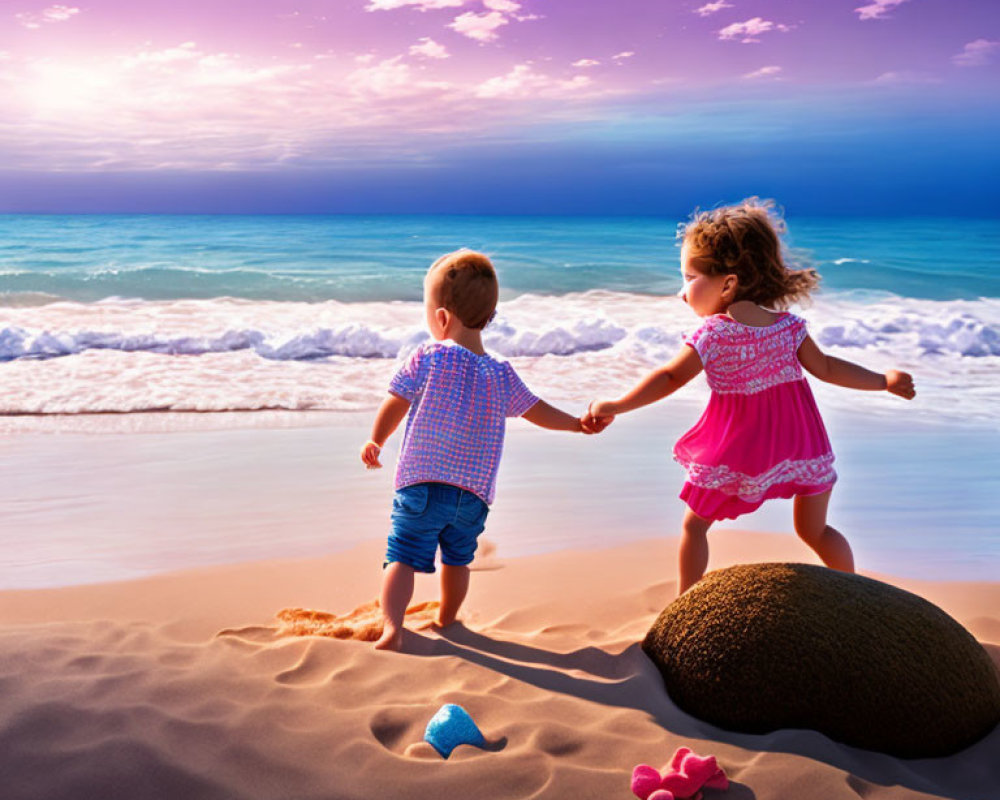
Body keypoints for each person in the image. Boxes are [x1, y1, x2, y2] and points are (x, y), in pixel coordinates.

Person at [590, 198, 915, 595]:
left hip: (741, 450)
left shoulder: (713, 334)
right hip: (801, 445)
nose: (681, 292)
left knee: (694, 526)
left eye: (689, 278)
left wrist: (618, 405)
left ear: (728, 282)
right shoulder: (788, 328)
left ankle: (683, 607)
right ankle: (856, 597)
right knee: (814, 529)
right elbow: (828, 368)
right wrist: (884, 380)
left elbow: (671, 376)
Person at [362, 249, 606, 650]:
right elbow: (536, 411)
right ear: (489, 318)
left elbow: (396, 400)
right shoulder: (501, 374)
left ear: (441, 318)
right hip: (472, 497)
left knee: (401, 557)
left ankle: (392, 628)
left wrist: (377, 439)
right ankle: (447, 617)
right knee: (458, 561)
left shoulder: (426, 355)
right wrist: (577, 424)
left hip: (420, 486)